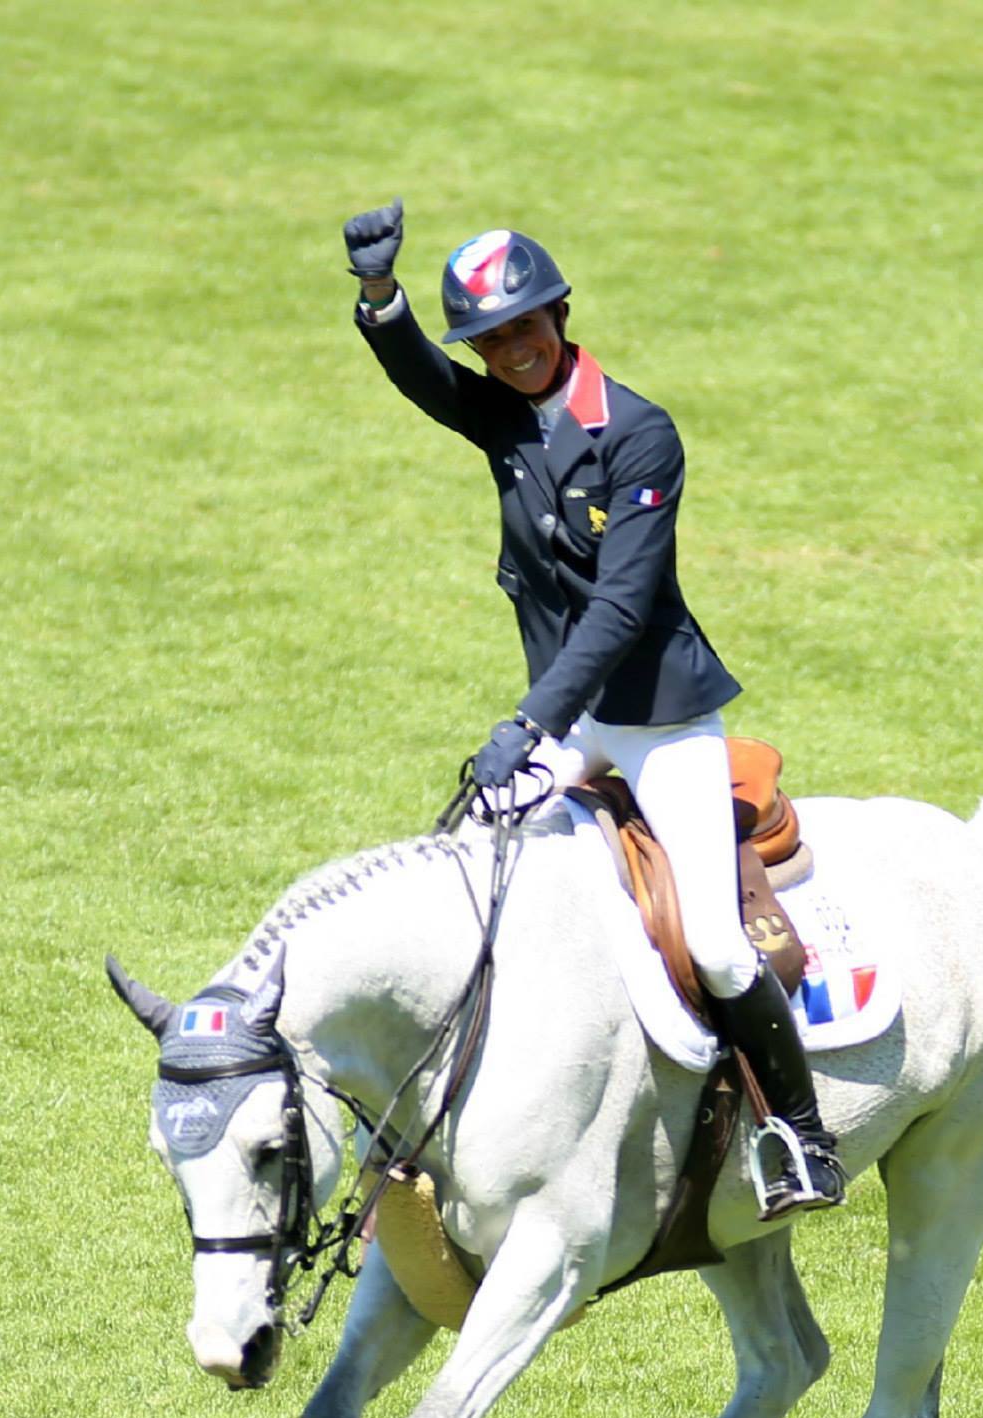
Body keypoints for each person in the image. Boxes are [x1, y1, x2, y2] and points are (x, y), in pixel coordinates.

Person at [342, 198, 843, 1216]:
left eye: (525, 326)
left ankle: (802, 1137)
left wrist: (530, 724)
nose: (512, 350)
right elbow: (423, 381)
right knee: (469, 860)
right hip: (569, 718)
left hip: (657, 720)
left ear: (562, 313)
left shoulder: (642, 433)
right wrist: (381, 298)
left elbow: (621, 608)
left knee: (710, 938)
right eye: (490, 339)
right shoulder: (503, 414)